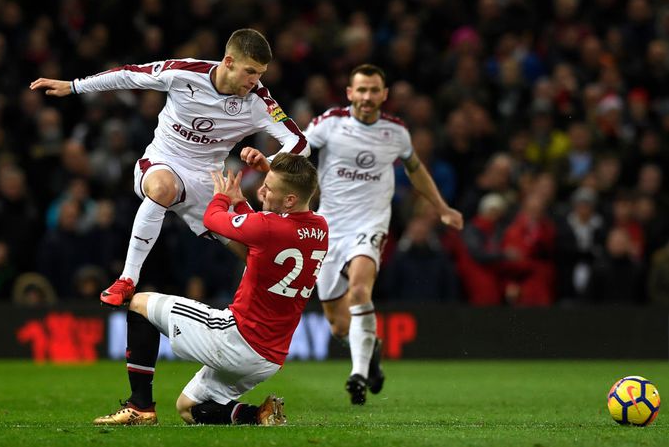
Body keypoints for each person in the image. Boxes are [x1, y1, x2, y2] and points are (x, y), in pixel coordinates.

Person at [30, 28, 309, 307]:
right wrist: (74, 85)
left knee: (255, 249)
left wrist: (269, 163)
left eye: (260, 73)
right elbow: (129, 73)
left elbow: (299, 143)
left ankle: (263, 315)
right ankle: (127, 279)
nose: (255, 80)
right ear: (228, 61)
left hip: (209, 181)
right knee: (164, 188)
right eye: (250, 71)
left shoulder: (259, 101)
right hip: (163, 161)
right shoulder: (183, 73)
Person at [93, 153, 328, 426]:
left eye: (269, 188)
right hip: (269, 357)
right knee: (188, 408)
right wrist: (242, 206)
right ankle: (259, 414)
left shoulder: (268, 227)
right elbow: (265, 237)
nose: (261, 190)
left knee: (139, 305)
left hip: (235, 338)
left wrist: (223, 197)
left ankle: (140, 407)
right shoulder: (320, 229)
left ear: (290, 200)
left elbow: (212, 219)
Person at [302, 64, 463, 405]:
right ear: (349, 93)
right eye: (361, 90)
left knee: (360, 288)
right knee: (338, 325)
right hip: (328, 228)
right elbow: (297, 151)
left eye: (374, 90)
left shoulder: (396, 133)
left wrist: (442, 207)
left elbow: (415, 170)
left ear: (384, 95)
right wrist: (271, 173)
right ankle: (370, 347)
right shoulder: (329, 124)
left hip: (370, 224)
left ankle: (358, 375)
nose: (367, 97)